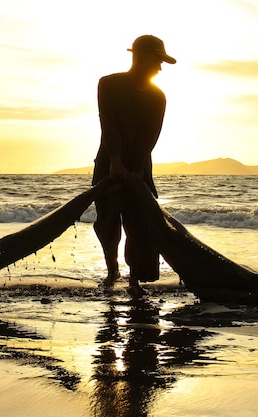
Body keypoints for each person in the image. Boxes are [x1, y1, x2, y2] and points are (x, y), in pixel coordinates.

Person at [92, 34, 176, 297]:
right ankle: (111, 271)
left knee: (141, 224)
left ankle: (134, 279)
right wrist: (116, 161)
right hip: (108, 163)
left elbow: (148, 137)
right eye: (157, 60)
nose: (160, 67)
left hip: (141, 168)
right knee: (108, 222)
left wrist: (137, 171)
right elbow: (109, 124)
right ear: (139, 57)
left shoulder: (157, 97)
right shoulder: (109, 85)